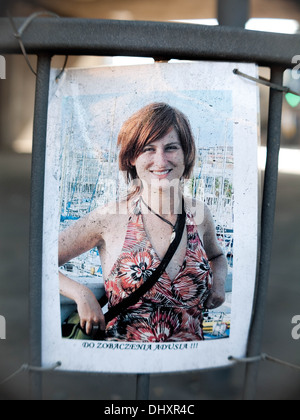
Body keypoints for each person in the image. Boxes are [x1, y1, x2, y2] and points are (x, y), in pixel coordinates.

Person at [59, 102, 228, 342]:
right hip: (125, 367)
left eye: (171, 148)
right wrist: (81, 294)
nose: (161, 160)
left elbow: (217, 257)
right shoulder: (109, 218)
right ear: (131, 158)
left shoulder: (198, 213)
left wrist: (219, 283)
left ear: (185, 154)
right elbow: (40, 257)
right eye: (149, 149)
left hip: (188, 367)